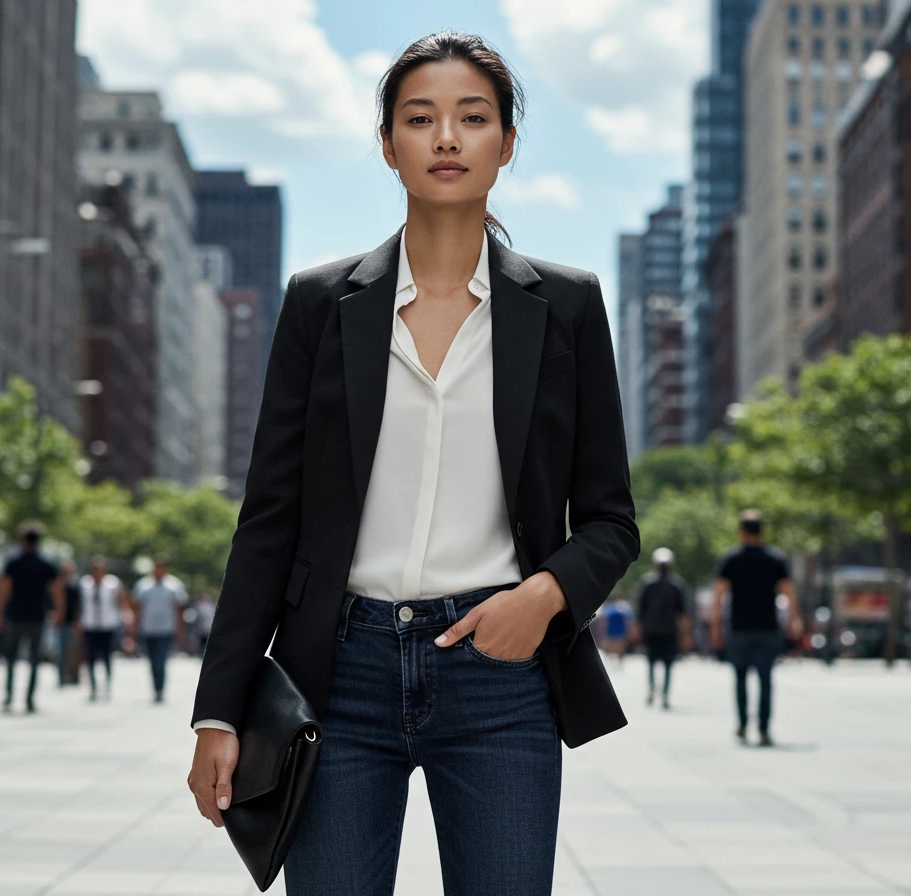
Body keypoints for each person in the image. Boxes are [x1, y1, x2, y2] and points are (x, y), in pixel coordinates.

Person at [186, 31, 639, 896]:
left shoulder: (568, 306)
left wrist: (541, 598)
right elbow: (269, 520)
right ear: (388, 144)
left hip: (502, 678)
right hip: (337, 677)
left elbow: (611, 520)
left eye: (473, 119)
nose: (446, 138)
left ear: (505, 146)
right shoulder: (321, 305)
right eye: (420, 118)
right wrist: (220, 708)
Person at [709, 511, 802, 747]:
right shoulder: (774, 559)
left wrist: (715, 626)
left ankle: (741, 725)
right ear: (762, 530)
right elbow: (789, 592)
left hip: (739, 628)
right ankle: (763, 729)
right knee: (765, 680)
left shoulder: (731, 559)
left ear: (741, 531)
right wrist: (793, 620)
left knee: (739, 677)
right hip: (767, 628)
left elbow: (718, 595)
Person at [0, 523, 63, 713]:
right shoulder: (46, 563)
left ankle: (9, 696)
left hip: (15, 616)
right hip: (37, 616)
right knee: (34, 660)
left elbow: (4, 590)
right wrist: (59, 611)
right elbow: (56, 591)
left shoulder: (13, 561)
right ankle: (29, 699)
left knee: (11, 659)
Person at [637, 547, 690, 709]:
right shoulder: (677, 584)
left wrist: (639, 627)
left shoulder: (647, 582)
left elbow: (640, 609)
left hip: (651, 629)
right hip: (669, 630)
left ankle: (653, 689)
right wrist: (686, 633)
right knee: (668, 663)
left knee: (652, 662)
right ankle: (665, 693)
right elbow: (682, 612)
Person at [132, 556, 188, 703]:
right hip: (148, 629)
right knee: (152, 661)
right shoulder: (143, 585)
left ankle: (160, 689)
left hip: (166, 629)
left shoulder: (174, 585)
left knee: (160, 660)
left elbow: (179, 609)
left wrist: (180, 630)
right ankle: (156, 688)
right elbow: (137, 608)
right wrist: (134, 629)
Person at [77, 556, 128, 702]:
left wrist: (124, 619)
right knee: (90, 658)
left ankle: (107, 684)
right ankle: (93, 686)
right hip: (90, 625)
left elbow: (120, 601)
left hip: (108, 626)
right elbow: (79, 605)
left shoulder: (112, 584)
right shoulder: (85, 584)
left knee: (107, 657)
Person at [57, 560, 82, 686]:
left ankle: (73, 677)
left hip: (71, 623)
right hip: (58, 624)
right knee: (59, 652)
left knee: (72, 652)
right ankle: (61, 677)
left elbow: (78, 606)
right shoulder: (57, 586)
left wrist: (78, 622)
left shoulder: (75, 587)